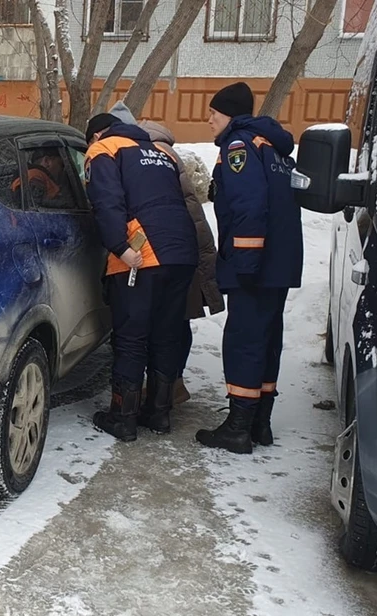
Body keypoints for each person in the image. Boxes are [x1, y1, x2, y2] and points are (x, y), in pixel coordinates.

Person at [193, 82, 303, 455]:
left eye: (213, 114)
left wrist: (246, 261)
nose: (208, 120)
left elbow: (248, 206)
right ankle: (260, 423)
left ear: (231, 116)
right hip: (279, 264)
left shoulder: (239, 146)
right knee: (267, 339)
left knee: (243, 341)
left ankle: (238, 429)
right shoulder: (271, 147)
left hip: (255, 265)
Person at [84, 111, 199, 441]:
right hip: (182, 252)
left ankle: (123, 418)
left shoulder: (103, 150)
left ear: (95, 135)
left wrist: (120, 247)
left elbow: (107, 202)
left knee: (131, 337)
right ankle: (159, 414)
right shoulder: (161, 152)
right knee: (166, 333)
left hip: (142, 255)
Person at [108, 102, 225, 406]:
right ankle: (168, 390)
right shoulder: (163, 152)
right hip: (186, 246)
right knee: (174, 322)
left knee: (158, 325)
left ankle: (167, 388)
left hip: (163, 248)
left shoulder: (140, 154)